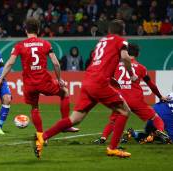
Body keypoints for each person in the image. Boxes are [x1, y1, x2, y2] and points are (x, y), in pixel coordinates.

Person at [31, 20, 137, 158]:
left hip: (88, 80)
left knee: (75, 118)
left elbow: (99, 63)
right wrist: (131, 74)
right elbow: (125, 58)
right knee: (124, 111)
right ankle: (113, 148)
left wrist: (111, 79)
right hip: (99, 83)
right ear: (122, 30)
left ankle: (42, 137)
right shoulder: (121, 41)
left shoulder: (102, 42)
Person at [0, 18, 79, 140]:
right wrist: (59, 78)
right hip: (44, 81)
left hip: (29, 84)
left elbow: (9, 63)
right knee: (65, 91)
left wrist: (0, 79)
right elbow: (56, 63)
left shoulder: (19, 45)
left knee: (34, 107)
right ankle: (65, 125)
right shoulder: (45, 44)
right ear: (38, 30)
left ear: (26, 30)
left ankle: (40, 135)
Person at [93, 43, 171, 144]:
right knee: (155, 118)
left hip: (121, 99)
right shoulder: (141, 68)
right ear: (138, 54)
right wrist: (160, 96)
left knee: (114, 121)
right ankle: (160, 131)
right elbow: (151, 85)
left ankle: (103, 138)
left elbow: (107, 79)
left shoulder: (115, 66)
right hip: (136, 100)